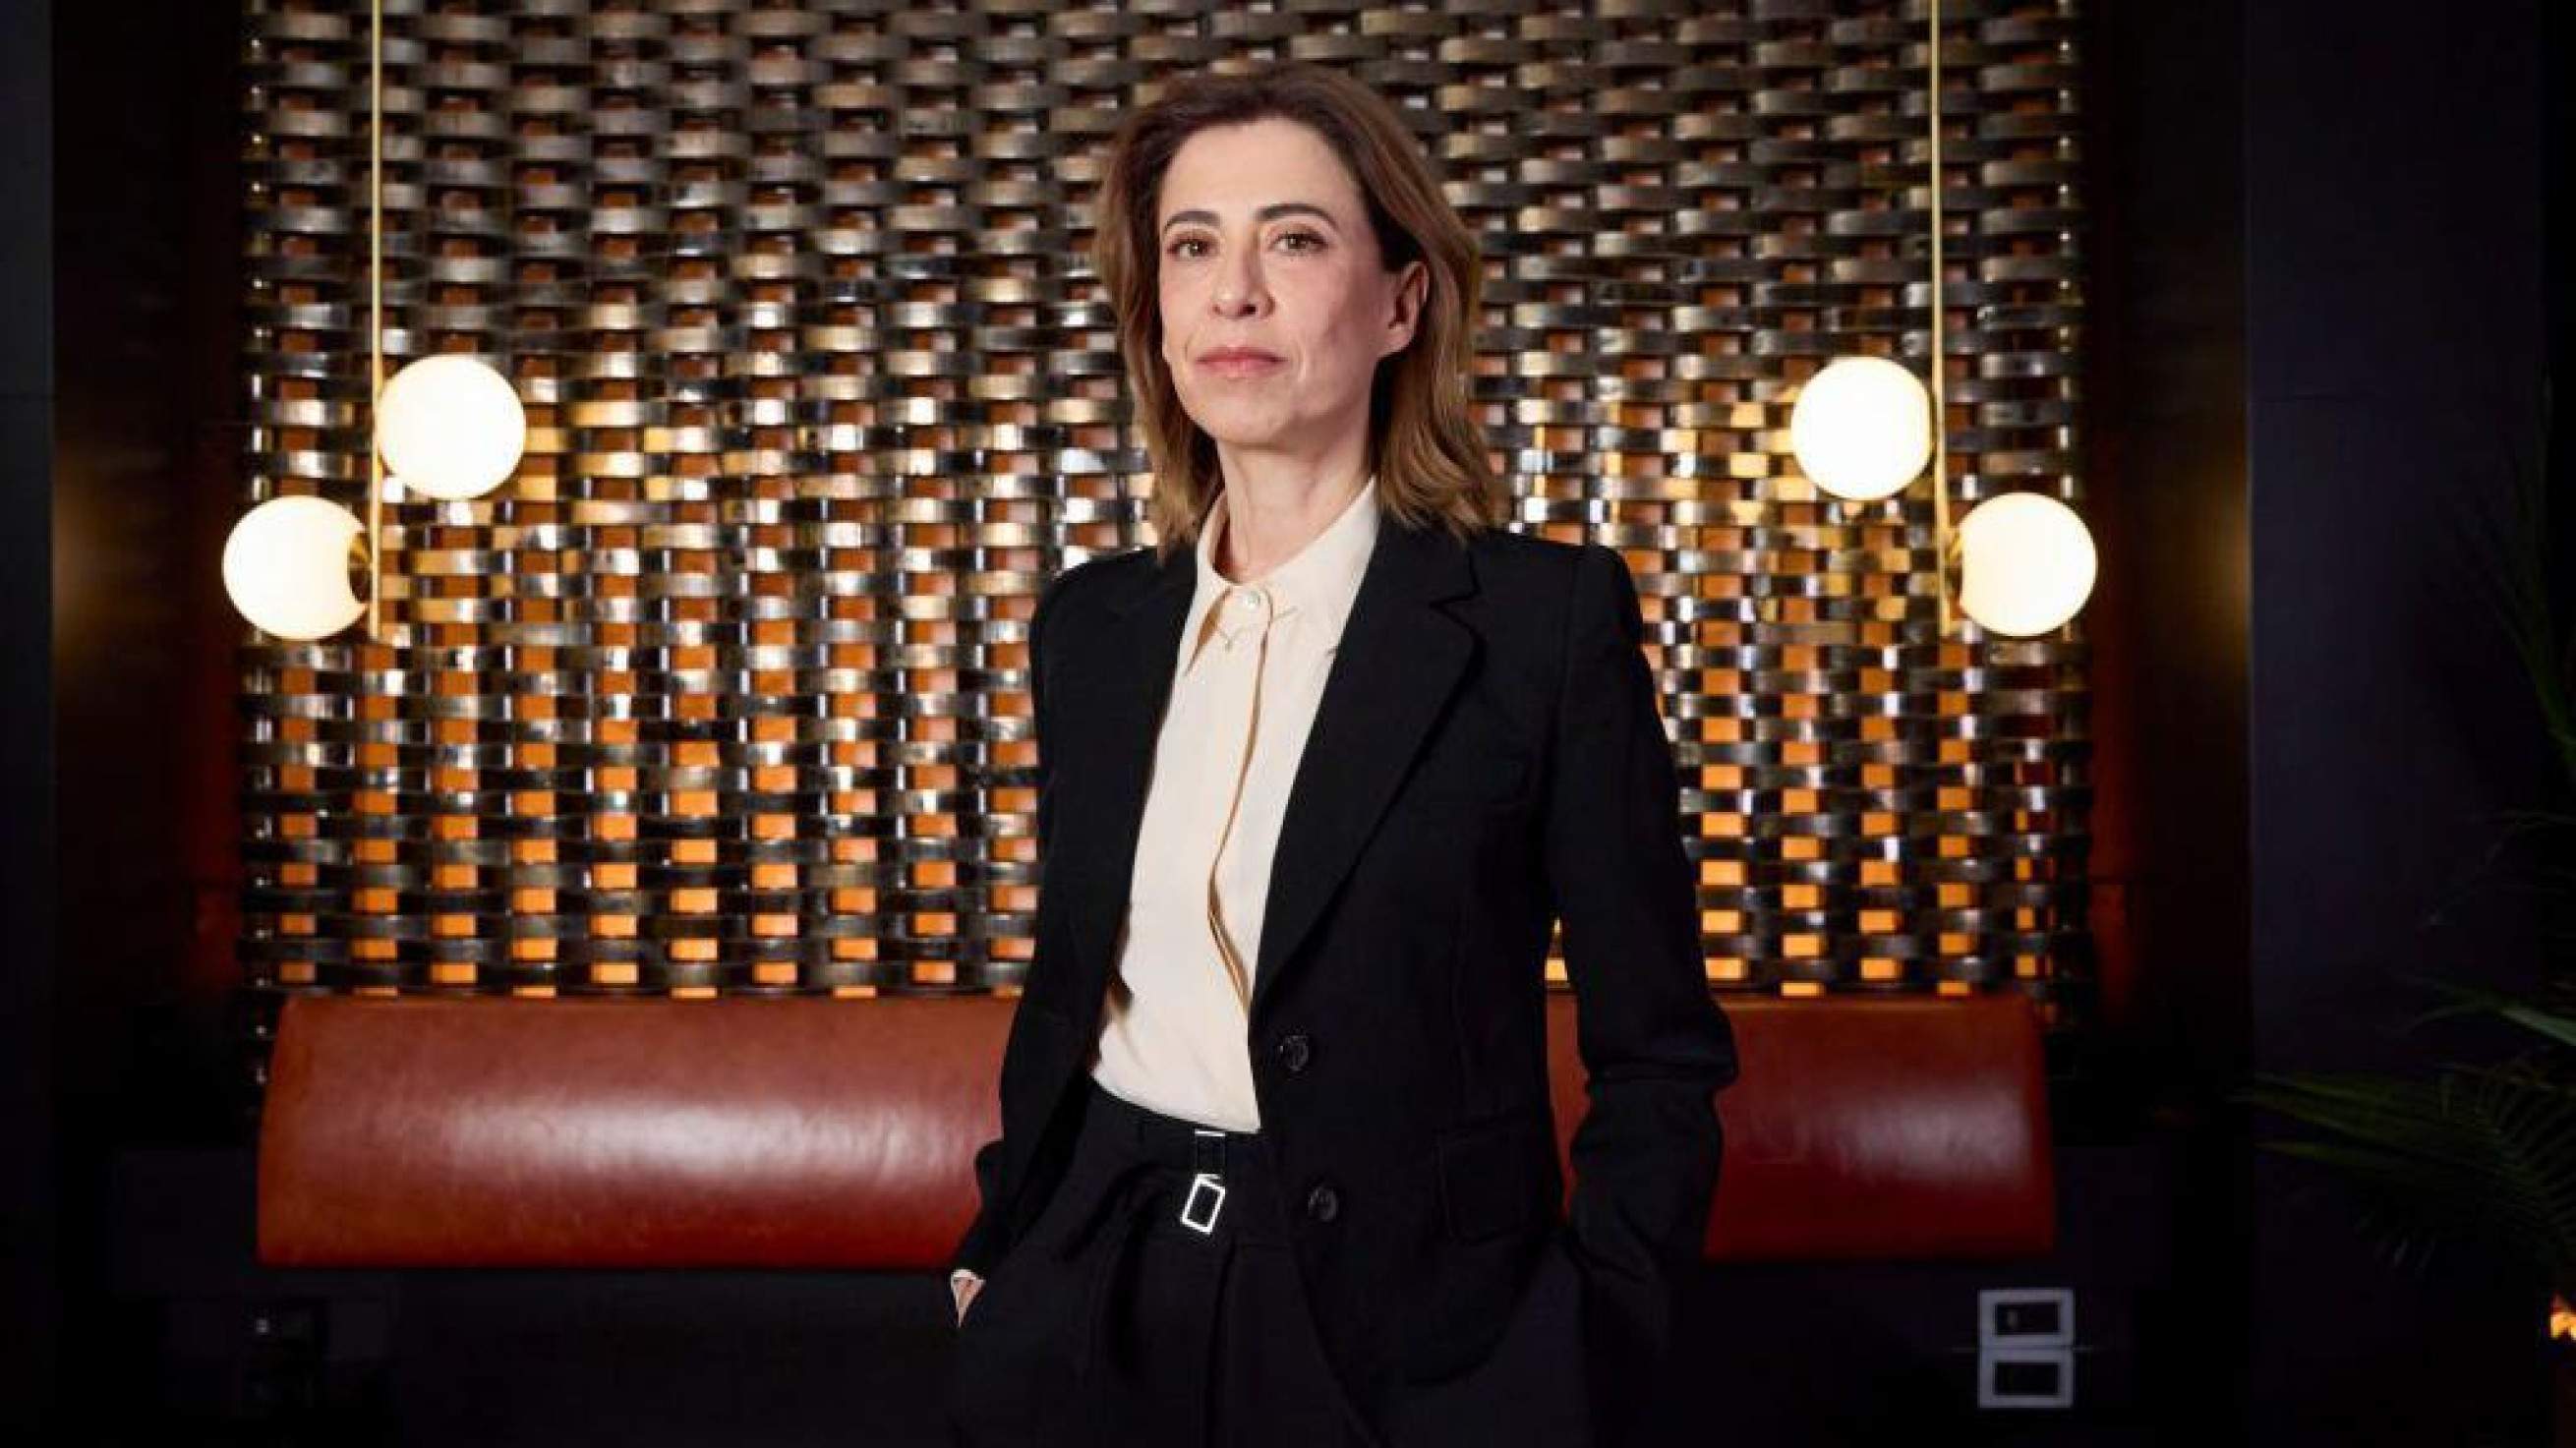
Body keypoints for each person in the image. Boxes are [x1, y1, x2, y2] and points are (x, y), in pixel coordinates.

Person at [943, 60, 1738, 1448]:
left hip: (1412, 1338)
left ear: (1400, 303)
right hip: (1088, 1292)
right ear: (1156, 310)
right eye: (1194, 247)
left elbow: (1658, 1048)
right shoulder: (1093, 627)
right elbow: (1069, 991)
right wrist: (1002, 1248)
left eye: (1295, 240)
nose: (1234, 292)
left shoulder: (1541, 624)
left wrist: (1593, 1339)